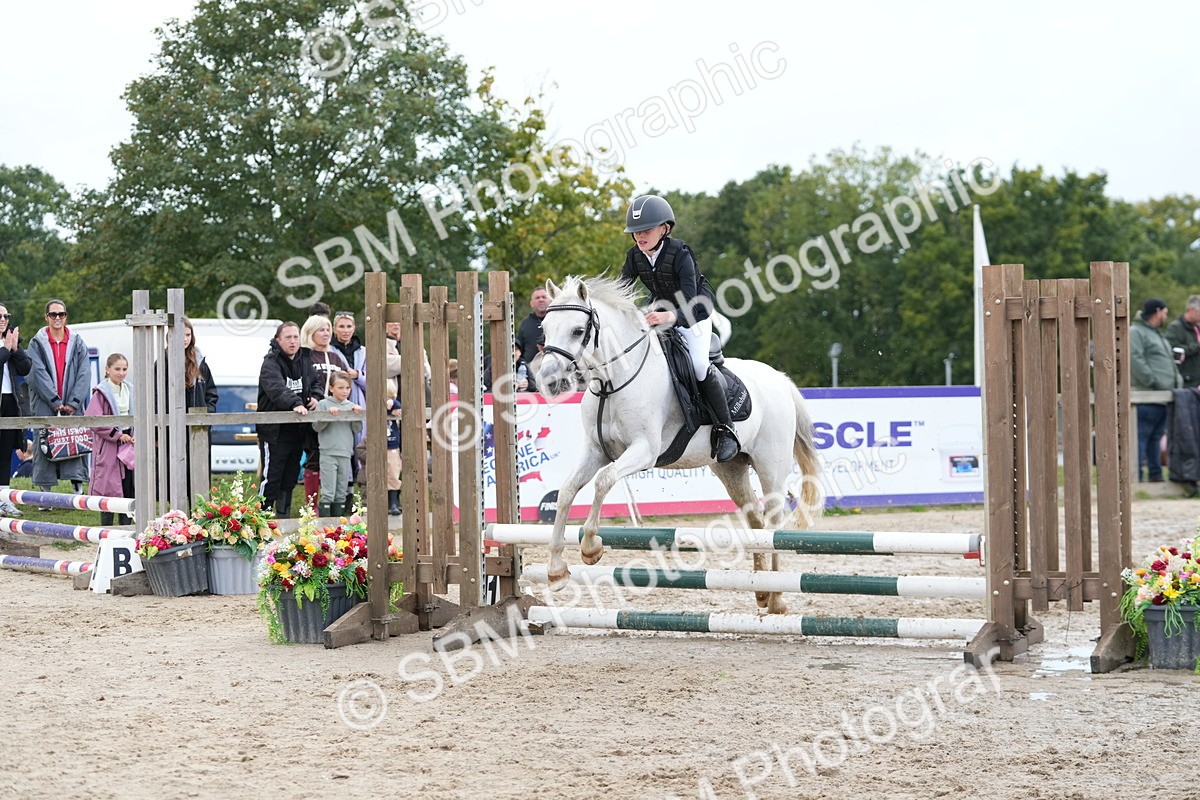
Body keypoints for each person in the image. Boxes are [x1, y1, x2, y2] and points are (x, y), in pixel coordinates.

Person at [618, 194, 738, 462]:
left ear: (665, 228)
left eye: (646, 230)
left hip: (695, 312)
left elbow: (691, 301)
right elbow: (621, 291)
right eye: (636, 232)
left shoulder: (681, 254)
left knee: (697, 365)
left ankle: (726, 429)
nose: (640, 237)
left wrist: (668, 317)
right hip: (660, 309)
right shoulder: (634, 256)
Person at [27, 300, 91, 502]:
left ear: (66, 316)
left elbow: (84, 372)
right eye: (53, 314)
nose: (57, 318)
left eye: (61, 314)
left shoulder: (78, 341)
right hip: (46, 402)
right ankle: (45, 495)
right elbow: (37, 372)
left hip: (72, 402)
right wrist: (54, 400)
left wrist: (73, 402)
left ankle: (78, 489)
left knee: (74, 441)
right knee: (43, 443)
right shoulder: (36, 342)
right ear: (46, 317)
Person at [257, 322, 321, 517]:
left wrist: (316, 396)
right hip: (275, 432)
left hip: (298, 430)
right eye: (288, 338)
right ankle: (262, 517)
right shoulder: (270, 363)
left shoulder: (305, 359)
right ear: (278, 340)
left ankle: (283, 517)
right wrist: (295, 402)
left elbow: (316, 382)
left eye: (296, 337)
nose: (293, 342)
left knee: (290, 476)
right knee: (272, 477)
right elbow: (276, 389)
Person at [1130, 297, 1182, 482]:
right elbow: (1135, 359)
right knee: (1140, 437)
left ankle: (1155, 475)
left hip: (1162, 397)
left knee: (1155, 438)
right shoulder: (1136, 332)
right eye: (1165, 313)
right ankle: (1136, 477)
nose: (1166, 317)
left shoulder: (1156, 334)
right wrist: (1153, 381)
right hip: (1147, 395)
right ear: (1158, 312)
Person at [85, 354, 134, 526]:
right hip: (109, 444)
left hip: (129, 443)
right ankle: (106, 529)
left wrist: (131, 434)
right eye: (117, 369)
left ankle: (126, 529)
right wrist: (118, 435)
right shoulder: (100, 393)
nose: (121, 373)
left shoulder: (130, 389)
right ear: (107, 369)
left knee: (127, 487)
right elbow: (94, 419)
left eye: (124, 369)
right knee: (109, 487)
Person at [311, 372, 362, 517]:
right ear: (331, 388)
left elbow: (357, 429)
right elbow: (316, 427)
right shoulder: (323, 404)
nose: (344, 391)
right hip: (328, 452)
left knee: (341, 492)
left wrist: (356, 416)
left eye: (347, 388)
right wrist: (328, 416)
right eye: (340, 387)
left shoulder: (351, 406)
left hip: (345, 453)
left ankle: (338, 527)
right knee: (328, 492)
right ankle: (324, 524)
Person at [0, 303, 31, 517]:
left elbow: (26, 368)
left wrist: (15, 350)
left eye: (6, 316)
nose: (3, 320)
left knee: (4, 453)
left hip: (10, 401)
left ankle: (3, 500)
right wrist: (4, 350)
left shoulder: (11, 341)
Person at [1165, 295, 1200, 388]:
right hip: (1186, 382)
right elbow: (1172, 350)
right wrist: (1197, 347)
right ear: (1192, 310)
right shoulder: (1175, 328)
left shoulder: (1197, 327)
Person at [515, 287, 549, 375]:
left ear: (551, 300)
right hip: (530, 374)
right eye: (537, 298)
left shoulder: (559, 321)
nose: (541, 300)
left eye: (544, 297)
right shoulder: (525, 324)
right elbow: (518, 350)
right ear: (531, 303)